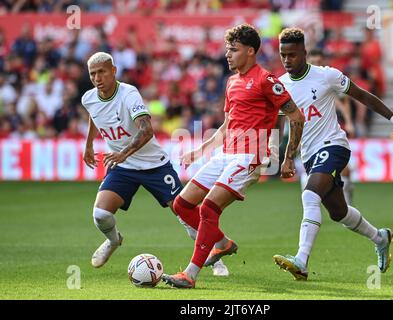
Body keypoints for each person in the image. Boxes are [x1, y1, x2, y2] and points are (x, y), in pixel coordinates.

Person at [162, 24, 304, 288]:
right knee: (181, 205)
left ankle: (190, 274)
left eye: (234, 49)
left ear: (250, 51)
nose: (228, 54)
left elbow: (296, 116)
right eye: (227, 49)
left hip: (251, 156)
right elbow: (228, 125)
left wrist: (288, 157)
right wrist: (200, 150)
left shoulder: (266, 80)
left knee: (208, 208)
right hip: (226, 153)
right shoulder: (232, 82)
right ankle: (222, 243)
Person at [273, 28, 393, 280]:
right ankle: (380, 237)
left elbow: (362, 95)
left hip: (333, 145)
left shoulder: (326, 76)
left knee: (309, 195)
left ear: (304, 53)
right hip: (309, 156)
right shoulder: (280, 86)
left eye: (293, 55)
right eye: (283, 55)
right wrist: (279, 152)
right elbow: (279, 123)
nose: (287, 60)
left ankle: (301, 261)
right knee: (339, 213)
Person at [81, 52, 229, 276]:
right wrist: (89, 144)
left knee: (185, 216)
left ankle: (216, 254)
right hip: (124, 168)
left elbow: (146, 130)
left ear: (113, 71)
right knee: (100, 215)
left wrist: (122, 153)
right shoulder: (88, 98)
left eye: (101, 71)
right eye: (92, 74)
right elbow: (95, 114)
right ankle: (113, 241)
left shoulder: (129, 94)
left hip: (155, 166)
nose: (97, 77)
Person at [307, 48, 355, 204]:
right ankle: (314, 203)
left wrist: (349, 122)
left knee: (345, 169)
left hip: (333, 127)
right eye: (313, 62)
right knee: (311, 170)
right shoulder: (300, 81)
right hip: (310, 131)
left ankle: (346, 203)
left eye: (319, 62)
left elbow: (342, 101)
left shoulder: (328, 77)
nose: (316, 65)